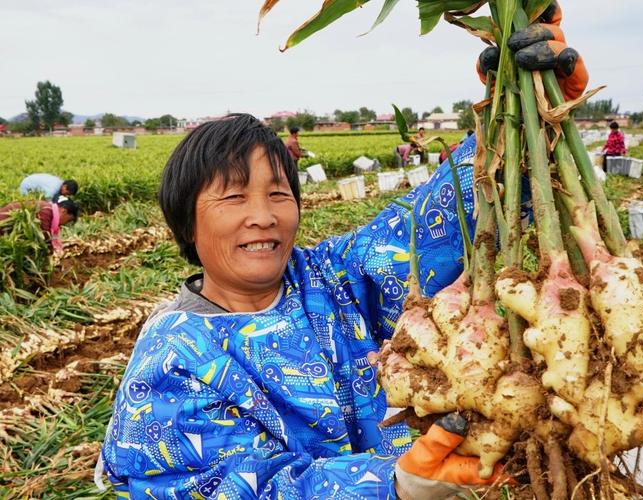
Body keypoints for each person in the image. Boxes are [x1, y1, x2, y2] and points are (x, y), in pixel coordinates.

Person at [99, 4, 588, 497]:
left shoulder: (331, 279)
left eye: (277, 194)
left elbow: (435, 224)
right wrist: (389, 486)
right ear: (187, 222)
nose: (263, 216)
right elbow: (211, 486)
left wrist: (525, 113)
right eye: (233, 197)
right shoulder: (172, 359)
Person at [0, 198, 79, 252]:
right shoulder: (47, 211)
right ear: (64, 211)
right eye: (68, 220)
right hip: (3, 221)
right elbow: (44, 235)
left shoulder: (49, 209)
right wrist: (52, 252)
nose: (65, 223)